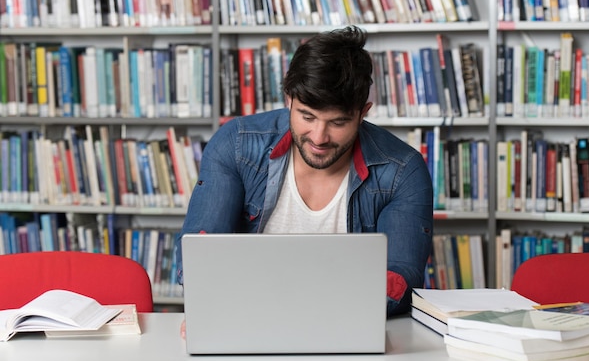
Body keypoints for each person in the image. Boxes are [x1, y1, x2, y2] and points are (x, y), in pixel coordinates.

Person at [176, 25, 433, 317]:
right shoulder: (235, 144)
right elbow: (199, 253)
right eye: (306, 116)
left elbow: (401, 277)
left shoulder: (402, 170)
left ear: (363, 112)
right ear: (289, 99)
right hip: (250, 319)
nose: (319, 137)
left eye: (337, 122)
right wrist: (209, 306)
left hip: (346, 325)